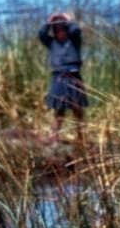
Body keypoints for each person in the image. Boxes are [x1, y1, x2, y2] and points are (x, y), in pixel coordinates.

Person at [37, 11, 86, 142]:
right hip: (59, 77)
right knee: (59, 110)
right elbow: (41, 34)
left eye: (62, 28)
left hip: (73, 76)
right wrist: (49, 21)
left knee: (77, 108)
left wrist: (69, 20)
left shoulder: (74, 40)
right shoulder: (51, 42)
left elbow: (76, 30)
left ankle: (81, 136)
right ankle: (55, 136)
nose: (60, 32)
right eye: (57, 29)